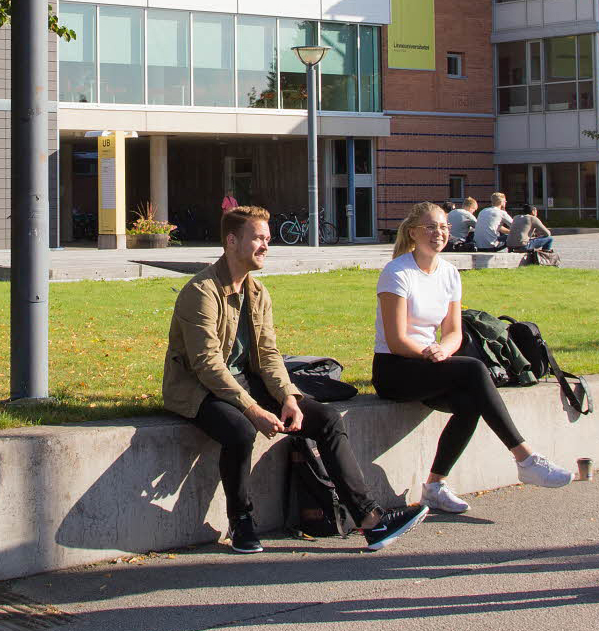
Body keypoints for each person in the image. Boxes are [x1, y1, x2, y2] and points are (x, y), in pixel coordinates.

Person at [166, 205, 428, 554]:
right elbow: (206, 365)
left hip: (244, 380)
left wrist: (289, 396)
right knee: (240, 431)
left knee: (327, 419)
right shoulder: (202, 292)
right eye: (257, 238)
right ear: (231, 241)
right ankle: (241, 521)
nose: (265, 246)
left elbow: (270, 356)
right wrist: (252, 410)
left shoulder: (258, 293)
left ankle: (369, 520)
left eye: (267, 239)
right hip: (199, 390)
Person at [373, 202, 574, 514]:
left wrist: (444, 350)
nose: (437, 233)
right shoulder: (397, 272)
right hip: (396, 368)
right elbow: (397, 340)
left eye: (442, 227)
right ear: (412, 232)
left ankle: (435, 486)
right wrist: (430, 353)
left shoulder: (450, 273)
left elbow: (453, 331)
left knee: (471, 401)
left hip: (431, 363)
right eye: (429, 227)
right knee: (474, 370)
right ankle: (525, 457)